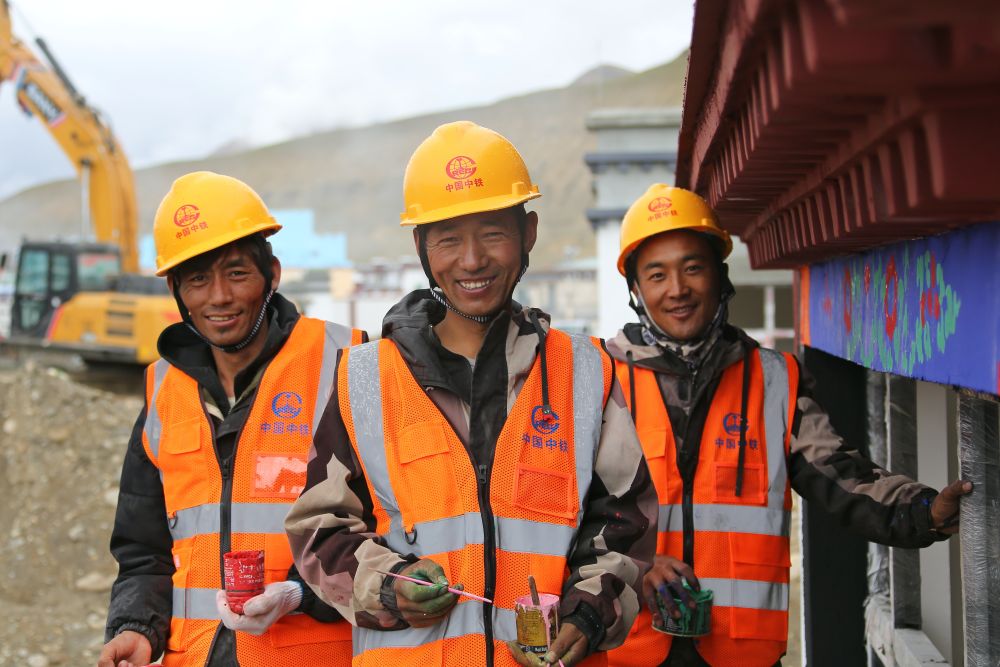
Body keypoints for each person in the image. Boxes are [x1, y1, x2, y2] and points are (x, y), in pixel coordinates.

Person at [284, 121, 658, 667]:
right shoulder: (362, 378)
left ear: (529, 233)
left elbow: (626, 523)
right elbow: (319, 531)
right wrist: (388, 586)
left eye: (493, 232)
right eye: (448, 238)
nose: (472, 259)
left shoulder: (585, 372)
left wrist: (589, 614)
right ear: (420, 246)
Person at [602, 184, 973, 667]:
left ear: (720, 275)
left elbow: (843, 477)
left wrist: (923, 511)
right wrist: (637, 564)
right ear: (636, 289)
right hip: (628, 649)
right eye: (657, 274)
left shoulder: (775, 380)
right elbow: (561, 516)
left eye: (693, 267)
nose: (677, 289)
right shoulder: (600, 381)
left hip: (742, 653)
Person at [98, 171, 364, 667]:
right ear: (176, 289)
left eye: (237, 273)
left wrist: (299, 593)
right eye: (198, 279)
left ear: (272, 275)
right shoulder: (162, 390)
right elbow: (143, 550)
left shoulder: (345, 362)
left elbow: (386, 530)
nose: (218, 296)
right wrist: (138, 628)